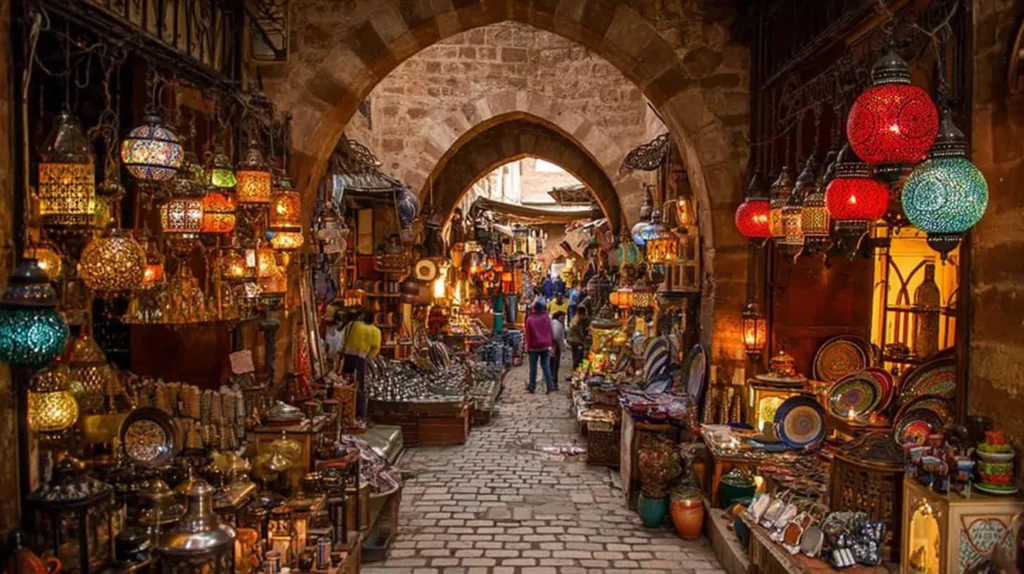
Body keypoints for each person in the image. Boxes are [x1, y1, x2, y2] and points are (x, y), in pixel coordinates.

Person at [340, 309, 382, 418]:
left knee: (345, 385)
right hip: (360, 360)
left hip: (347, 358)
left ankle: (344, 411)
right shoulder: (375, 331)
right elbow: (376, 348)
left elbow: (343, 339)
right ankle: (359, 413)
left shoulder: (352, 325)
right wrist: (368, 356)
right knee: (360, 387)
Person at [524, 300, 555, 394]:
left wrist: (527, 347)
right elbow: (550, 331)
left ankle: (532, 386)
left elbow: (528, 335)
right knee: (546, 365)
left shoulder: (530, 319)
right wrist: (551, 344)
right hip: (545, 345)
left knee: (533, 367)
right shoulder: (546, 317)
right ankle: (550, 385)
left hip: (534, 346)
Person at [567, 306, 590, 375]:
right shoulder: (577, 321)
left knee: (576, 356)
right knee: (578, 357)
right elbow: (581, 333)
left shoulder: (576, 318)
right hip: (576, 341)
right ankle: (577, 372)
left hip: (574, 341)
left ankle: (577, 371)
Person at [550, 311, 566, 390]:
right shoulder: (558, 325)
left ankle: (550, 382)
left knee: (550, 364)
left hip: (550, 346)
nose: (563, 319)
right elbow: (557, 337)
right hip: (555, 347)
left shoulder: (552, 322)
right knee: (555, 365)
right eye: (562, 317)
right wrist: (562, 347)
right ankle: (553, 383)